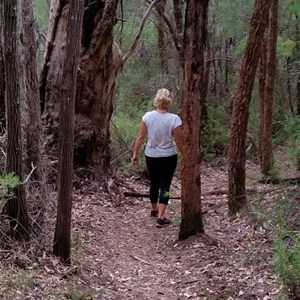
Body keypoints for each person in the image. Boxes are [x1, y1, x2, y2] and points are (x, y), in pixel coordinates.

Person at [132, 88, 182, 228]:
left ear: (157, 100)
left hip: (151, 155)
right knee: (165, 185)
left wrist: (135, 154)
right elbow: (179, 141)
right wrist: (185, 155)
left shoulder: (147, 116)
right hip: (168, 156)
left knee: (154, 182)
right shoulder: (174, 119)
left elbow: (140, 136)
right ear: (169, 101)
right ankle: (161, 217)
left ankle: (154, 209)